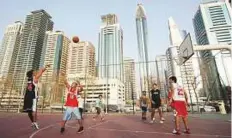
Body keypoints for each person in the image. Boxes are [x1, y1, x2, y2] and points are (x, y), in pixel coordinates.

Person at [23, 64, 50, 130]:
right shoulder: (34, 78)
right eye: (34, 72)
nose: (36, 72)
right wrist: (46, 67)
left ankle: (33, 122)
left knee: (29, 110)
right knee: (34, 110)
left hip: (27, 96)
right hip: (33, 96)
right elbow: (40, 72)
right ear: (32, 74)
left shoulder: (29, 79)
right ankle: (35, 122)